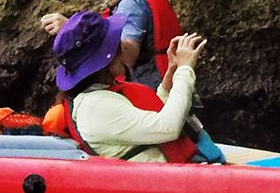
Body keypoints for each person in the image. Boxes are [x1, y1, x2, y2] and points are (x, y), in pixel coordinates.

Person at [52, 9, 212, 161]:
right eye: (116, 46)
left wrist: (172, 71)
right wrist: (185, 69)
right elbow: (168, 127)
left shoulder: (100, 95)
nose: (122, 50)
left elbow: (151, 117)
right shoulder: (95, 108)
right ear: (103, 61)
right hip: (164, 177)